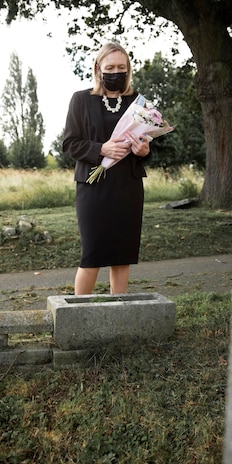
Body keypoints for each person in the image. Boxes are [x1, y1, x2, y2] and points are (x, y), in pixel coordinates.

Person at [63, 41, 150, 295]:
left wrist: (144, 151)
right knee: (92, 254)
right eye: (110, 67)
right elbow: (69, 144)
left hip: (128, 187)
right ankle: (78, 317)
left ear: (128, 69)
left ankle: (118, 313)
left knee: (122, 254)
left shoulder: (137, 102)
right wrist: (102, 149)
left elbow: (145, 144)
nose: (116, 72)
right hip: (93, 187)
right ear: (98, 68)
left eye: (121, 67)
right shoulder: (81, 100)